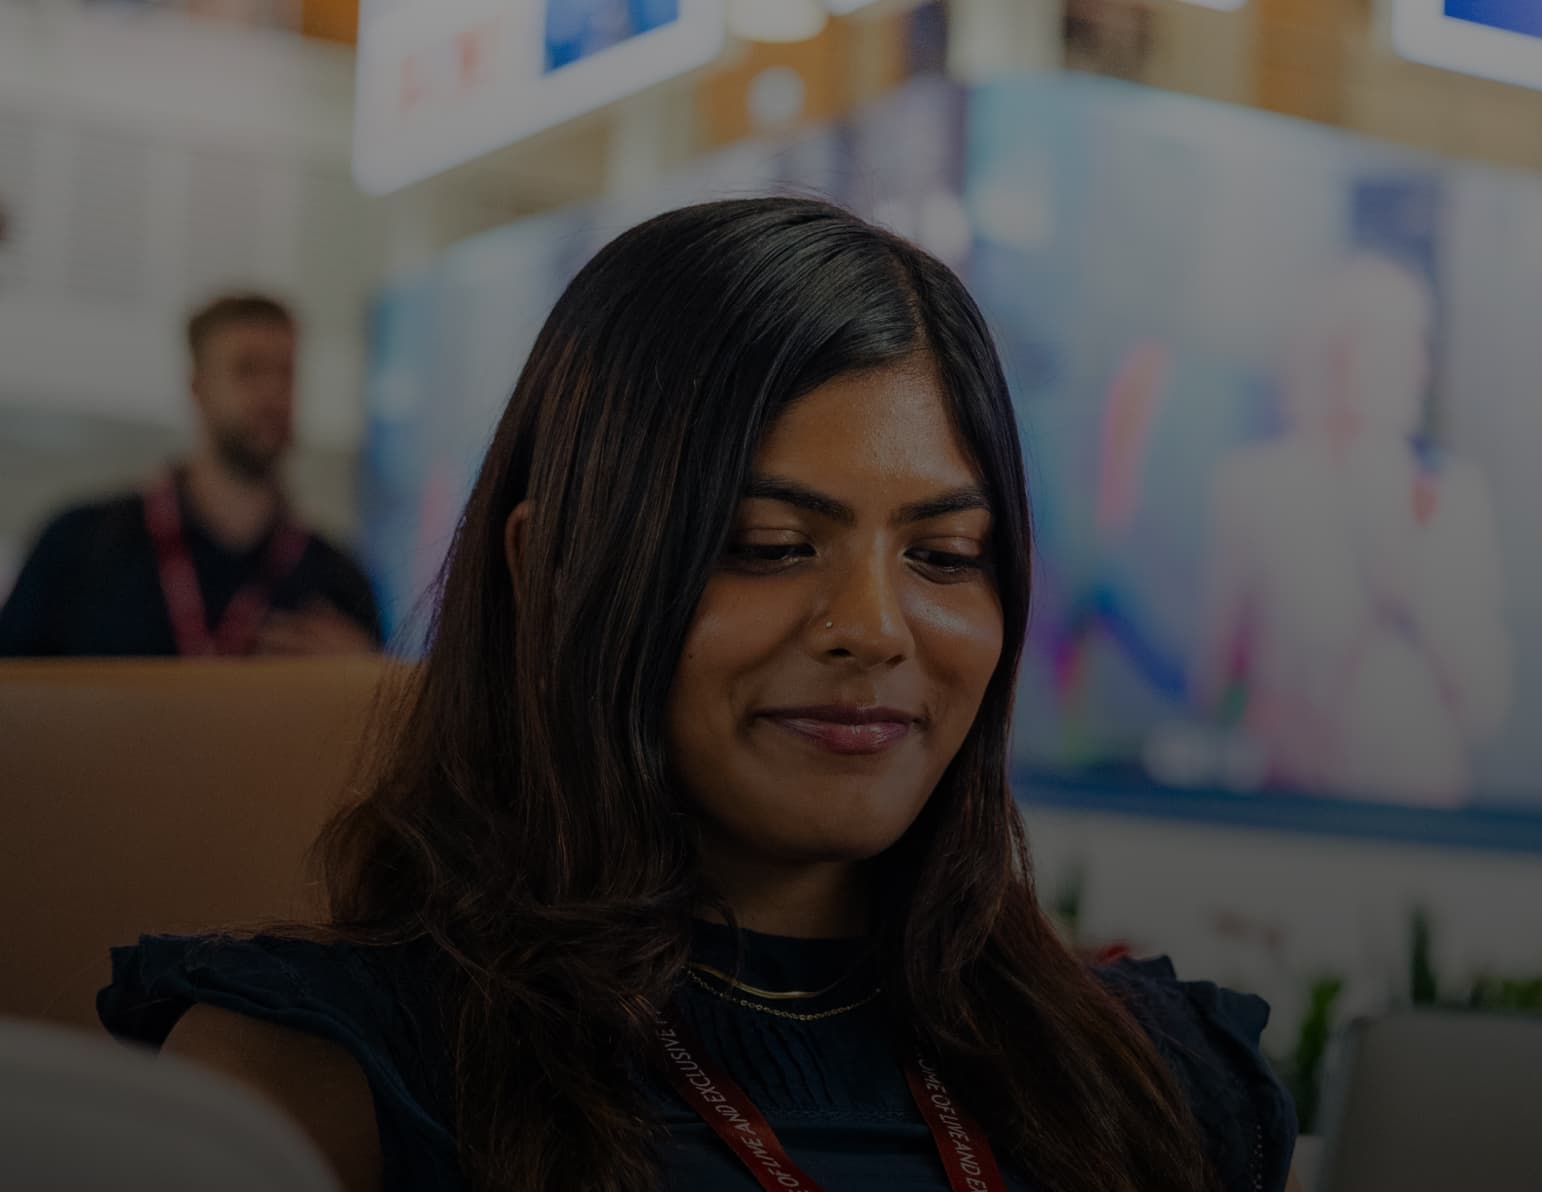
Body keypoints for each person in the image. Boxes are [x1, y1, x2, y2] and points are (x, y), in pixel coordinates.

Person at [99, 200, 1295, 1192]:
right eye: (770, 544)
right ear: (547, 572)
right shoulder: (325, 1084)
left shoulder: (1153, 1083)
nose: (875, 629)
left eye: (944, 556)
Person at [1191, 250, 1514, 808]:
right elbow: (1214, 687)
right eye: (1397, 344)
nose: (1418, 368)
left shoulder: (1450, 497)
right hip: (1290, 819)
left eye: (1419, 346)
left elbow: (1486, 707)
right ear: (1334, 355)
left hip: (1423, 824)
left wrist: (1414, 593)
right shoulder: (1253, 490)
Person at [0, 293, 381, 657]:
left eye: (285, 371)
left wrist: (365, 678)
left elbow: (392, 712)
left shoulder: (336, 580)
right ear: (197, 388)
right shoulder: (80, 546)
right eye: (246, 369)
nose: (272, 391)